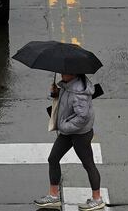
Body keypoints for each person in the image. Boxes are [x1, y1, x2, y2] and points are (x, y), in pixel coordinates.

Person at [34, 73, 104, 210]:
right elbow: (67, 101)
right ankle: (53, 196)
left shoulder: (80, 93)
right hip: (68, 131)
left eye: (65, 72)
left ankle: (97, 199)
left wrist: (64, 126)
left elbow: (83, 117)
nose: (62, 74)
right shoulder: (68, 86)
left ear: (74, 74)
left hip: (80, 134)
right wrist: (57, 93)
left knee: (88, 164)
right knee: (53, 158)